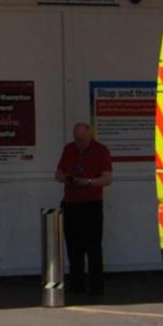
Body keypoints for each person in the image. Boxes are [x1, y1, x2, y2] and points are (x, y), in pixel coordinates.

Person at [53, 122, 113, 296]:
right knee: (73, 246)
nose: (79, 143)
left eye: (82, 139)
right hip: (71, 203)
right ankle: (77, 283)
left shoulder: (101, 150)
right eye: (76, 139)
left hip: (91, 203)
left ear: (89, 135)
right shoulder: (69, 149)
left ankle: (96, 286)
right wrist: (67, 179)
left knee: (93, 246)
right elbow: (57, 173)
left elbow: (107, 178)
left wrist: (88, 182)